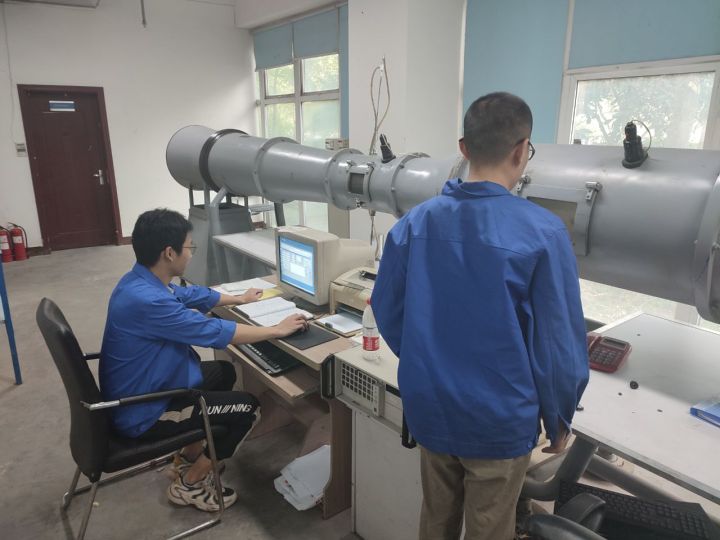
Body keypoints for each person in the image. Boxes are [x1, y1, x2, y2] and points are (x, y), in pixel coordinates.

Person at [371, 92, 589, 540]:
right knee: (490, 529)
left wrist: (427, 366)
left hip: (431, 407)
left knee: (436, 519)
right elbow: (557, 344)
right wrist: (559, 416)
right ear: (521, 151)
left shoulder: (414, 223)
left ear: (463, 148)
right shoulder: (544, 232)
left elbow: (387, 311)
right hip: (497, 417)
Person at [100, 208, 308, 512]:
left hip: (145, 386)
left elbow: (188, 295)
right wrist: (276, 330)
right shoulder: (150, 301)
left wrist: (240, 298)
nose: (191, 254)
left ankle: (187, 458)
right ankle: (190, 484)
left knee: (223, 372)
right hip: (144, 411)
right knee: (248, 408)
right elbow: (213, 331)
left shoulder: (139, 282)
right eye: (190, 247)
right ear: (169, 253)